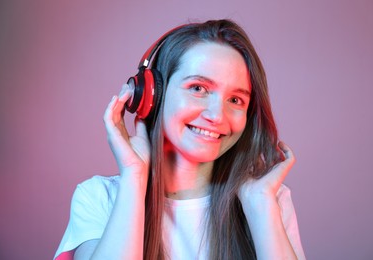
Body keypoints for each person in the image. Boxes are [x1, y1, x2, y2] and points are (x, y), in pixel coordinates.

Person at [54, 19, 306, 260]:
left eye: (235, 100)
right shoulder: (100, 198)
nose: (216, 115)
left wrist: (261, 204)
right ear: (151, 96)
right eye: (198, 88)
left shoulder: (269, 199)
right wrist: (134, 175)